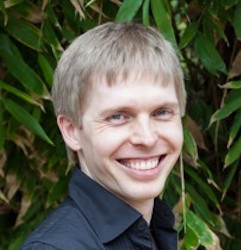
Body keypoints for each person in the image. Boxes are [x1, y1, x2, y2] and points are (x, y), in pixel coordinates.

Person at [20, 22, 186, 250]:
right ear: (71, 131)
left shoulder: (154, 230)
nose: (147, 138)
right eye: (118, 116)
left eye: (162, 112)